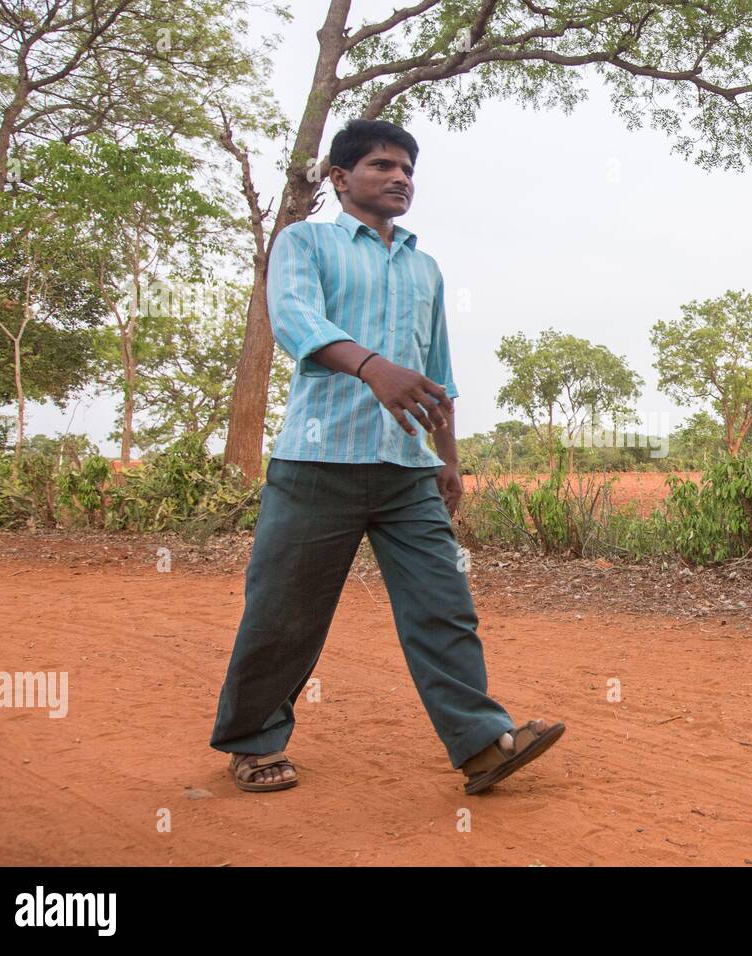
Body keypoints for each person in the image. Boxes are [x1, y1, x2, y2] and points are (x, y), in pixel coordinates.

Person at [209, 118, 564, 796]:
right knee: (286, 614)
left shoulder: (424, 267)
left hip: (405, 473)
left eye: (407, 168)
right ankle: (252, 742)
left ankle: (483, 744)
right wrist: (371, 367)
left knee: (443, 606)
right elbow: (294, 322)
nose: (400, 177)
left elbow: (437, 374)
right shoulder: (304, 242)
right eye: (382, 165)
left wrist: (449, 460)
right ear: (341, 179)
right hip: (319, 465)